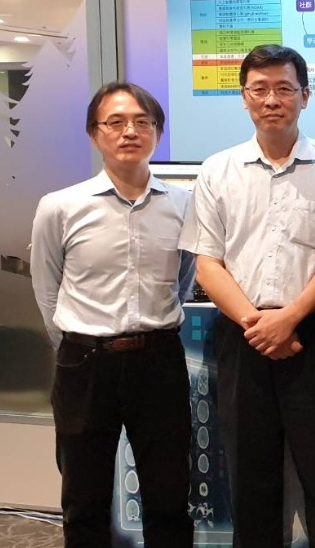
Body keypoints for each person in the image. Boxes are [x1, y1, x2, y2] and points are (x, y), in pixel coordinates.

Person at [179, 44, 315, 548]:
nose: (272, 99)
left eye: (284, 88)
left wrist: (292, 317)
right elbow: (207, 262)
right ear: (244, 98)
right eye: (259, 89)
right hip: (243, 339)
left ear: (305, 95)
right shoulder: (218, 170)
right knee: (251, 476)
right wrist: (258, 324)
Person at [30, 82, 194, 547]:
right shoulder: (60, 207)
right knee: (84, 498)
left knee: (168, 496)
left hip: (159, 361)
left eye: (142, 122)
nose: (130, 132)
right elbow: (46, 288)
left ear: (157, 133)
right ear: (94, 134)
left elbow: (183, 279)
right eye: (116, 122)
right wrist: (78, 346)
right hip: (85, 364)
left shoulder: (183, 204)